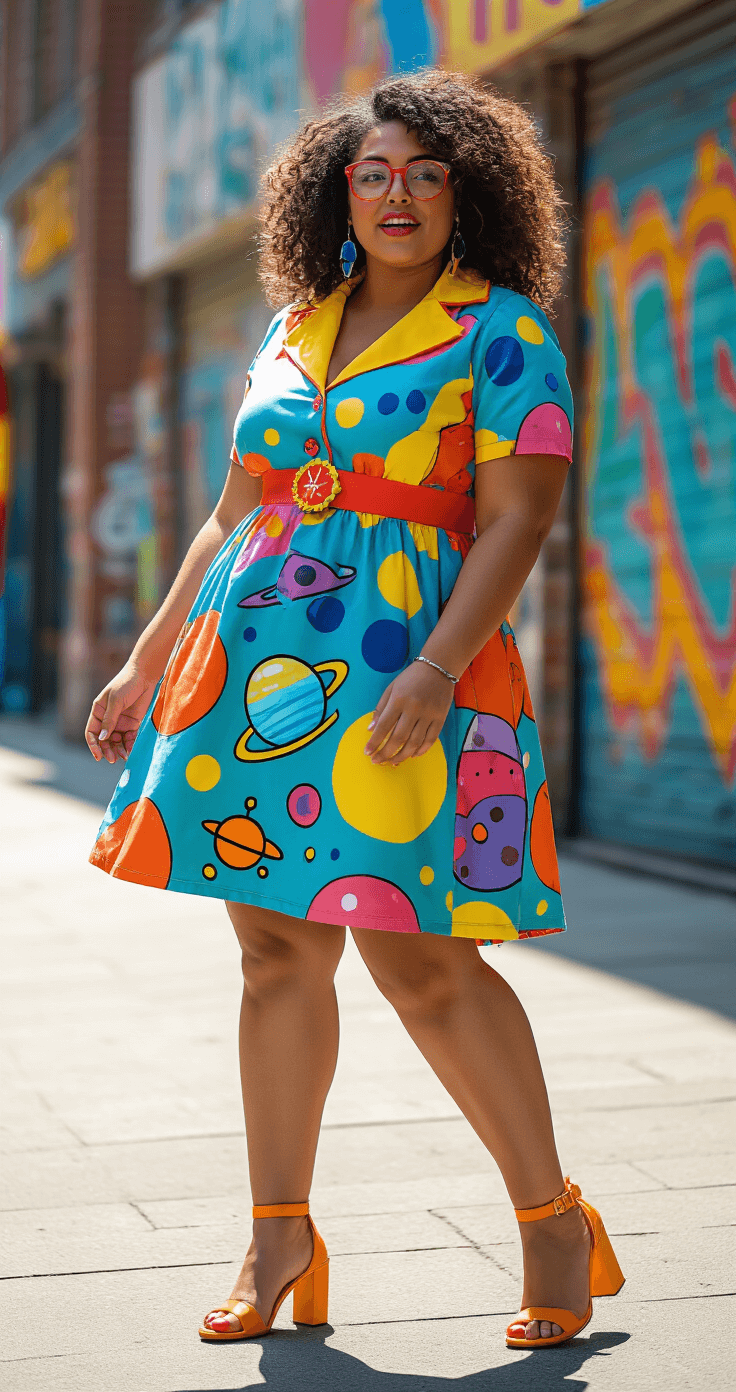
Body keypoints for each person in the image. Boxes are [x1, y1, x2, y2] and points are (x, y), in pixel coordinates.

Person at [86, 69, 624, 1349]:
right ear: (338, 191)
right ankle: (281, 1239)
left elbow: (521, 517)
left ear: (464, 195)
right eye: (374, 172)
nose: (398, 194)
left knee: (424, 962)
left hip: (405, 677)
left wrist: (436, 672)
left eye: (426, 174)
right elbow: (232, 511)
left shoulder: (504, 332)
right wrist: (146, 657)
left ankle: (551, 1218)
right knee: (272, 953)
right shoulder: (291, 325)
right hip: (251, 675)